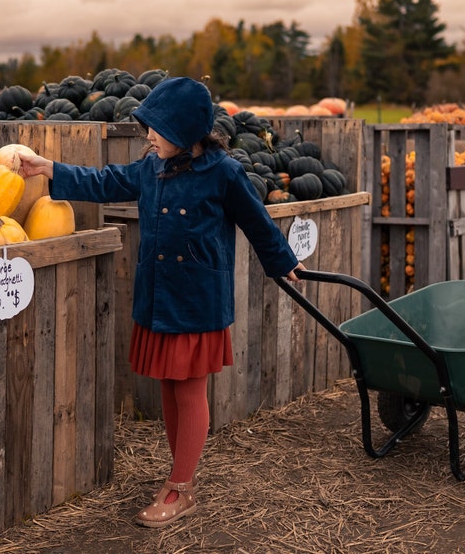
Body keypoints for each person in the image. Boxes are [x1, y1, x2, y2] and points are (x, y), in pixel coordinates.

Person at [18, 76, 305, 529]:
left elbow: (257, 221)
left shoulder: (224, 172)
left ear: (187, 131)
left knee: (189, 389)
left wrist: (282, 260)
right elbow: (104, 181)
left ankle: (181, 488)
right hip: (158, 295)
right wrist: (46, 168)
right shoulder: (151, 167)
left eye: (157, 128)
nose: (148, 135)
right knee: (169, 386)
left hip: (197, 300)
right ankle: (180, 470)